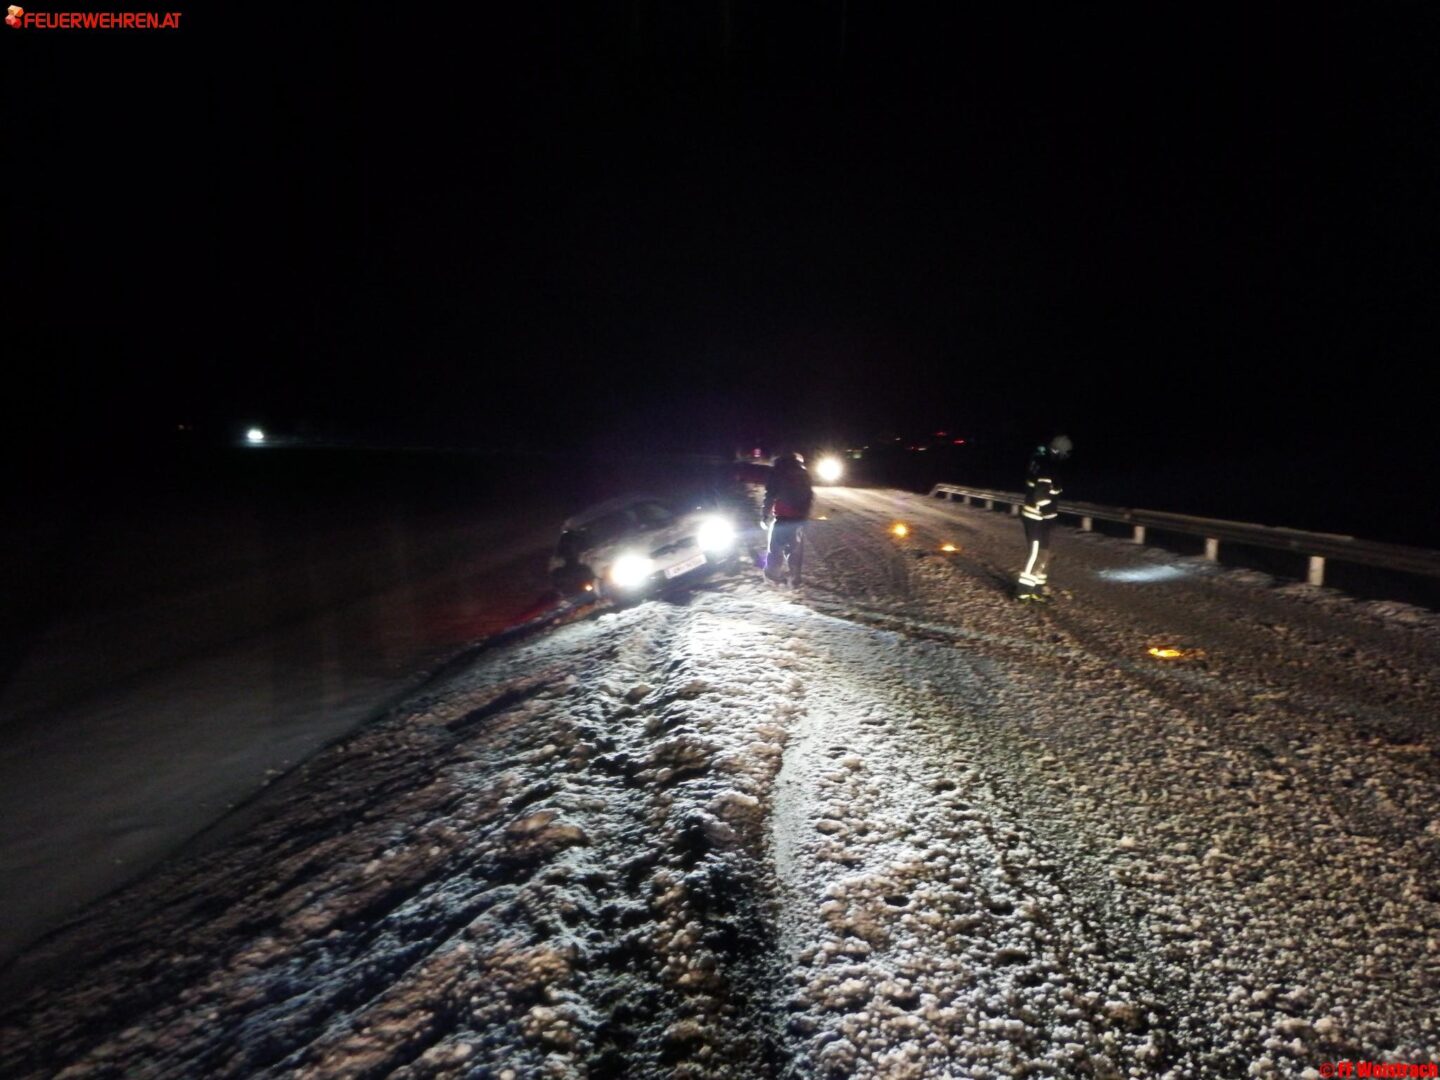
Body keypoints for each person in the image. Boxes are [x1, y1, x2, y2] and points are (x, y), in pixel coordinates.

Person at [1016, 434, 1073, 601]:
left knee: (1044, 554)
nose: (1066, 457)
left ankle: (1037, 589)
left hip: (1042, 519)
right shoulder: (1047, 466)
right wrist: (1047, 513)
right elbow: (1041, 497)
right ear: (1060, 452)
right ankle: (1023, 592)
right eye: (1065, 453)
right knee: (1035, 554)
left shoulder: (1043, 461)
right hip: (1037, 518)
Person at [763, 450, 814, 586]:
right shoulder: (804, 474)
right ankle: (794, 578)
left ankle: (773, 575)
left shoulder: (778, 472)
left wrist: (765, 514)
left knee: (775, 547)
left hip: (782, 517)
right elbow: (809, 496)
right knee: (795, 550)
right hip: (798, 519)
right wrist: (805, 515)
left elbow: (770, 495)